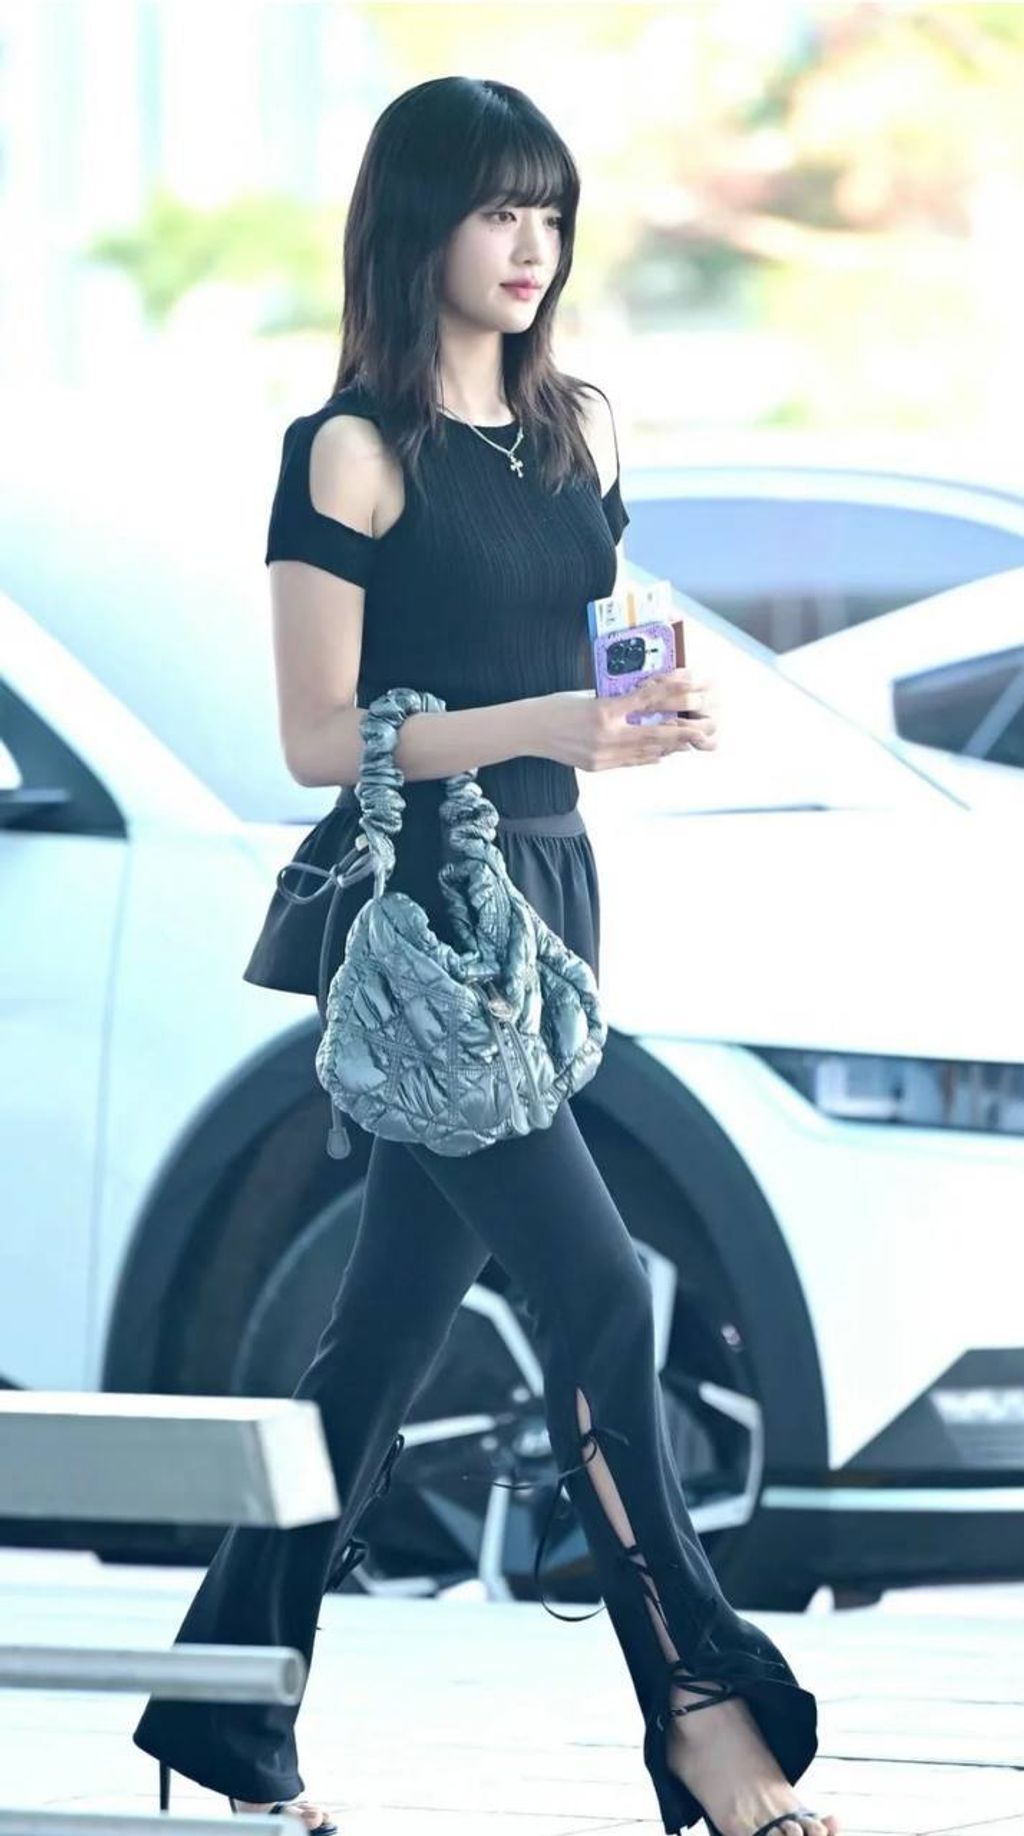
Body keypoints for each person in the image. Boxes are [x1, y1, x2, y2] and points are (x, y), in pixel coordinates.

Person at [132, 75, 839, 1836]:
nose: (531, 247)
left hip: (552, 899)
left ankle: (221, 1711)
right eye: (497, 210)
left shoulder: (570, 432)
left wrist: (639, 707)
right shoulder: (350, 451)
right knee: (600, 1293)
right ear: (418, 223)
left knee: (382, 1335)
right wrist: (549, 723)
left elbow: (585, 645)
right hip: (432, 923)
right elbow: (317, 736)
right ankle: (706, 1717)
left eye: (550, 213)